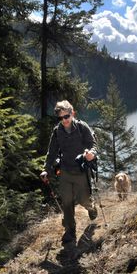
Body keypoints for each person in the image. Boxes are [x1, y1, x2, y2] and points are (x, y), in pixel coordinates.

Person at [40, 100, 98, 244]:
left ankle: (91, 207)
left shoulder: (81, 127)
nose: (64, 120)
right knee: (67, 202)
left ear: (72, 114)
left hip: (81, 170)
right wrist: (45, 170)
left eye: (66, 116)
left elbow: (93, 143)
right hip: (65, 171)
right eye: (61, 118)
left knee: (84, 199)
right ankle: (70, 232)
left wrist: (91, 153)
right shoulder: (57, 131)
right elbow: (51, 152)